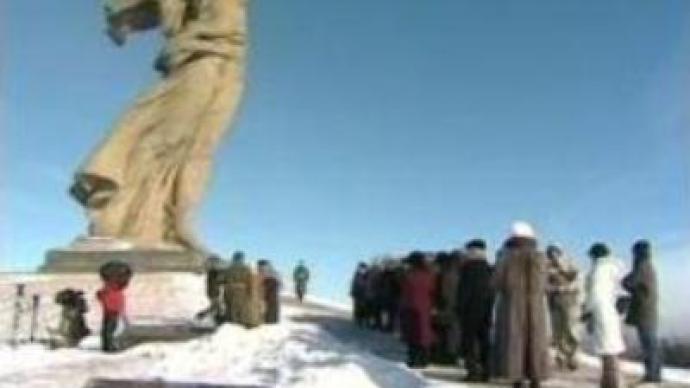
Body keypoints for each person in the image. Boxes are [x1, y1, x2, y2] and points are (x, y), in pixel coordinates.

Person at [492, 222, 550, 388]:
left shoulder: (505, 256)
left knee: (514, 339)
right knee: (536, 339)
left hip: (512, 304)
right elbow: (544, 282)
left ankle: (516, 377)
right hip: (535, 304)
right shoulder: (540, 256)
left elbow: (496, 281)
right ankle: (536, 376)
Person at [583, 243, 626, 388]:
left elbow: (595, 293)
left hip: (601, 312)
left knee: (608, 350)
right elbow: (623, 291)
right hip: (611, 312)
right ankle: (609, 381)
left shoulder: (599, 270)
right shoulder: (615, 267)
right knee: (611, 348)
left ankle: (612, 383)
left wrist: (588, 312)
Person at [623, 240, 661, 383]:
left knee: (649, 345)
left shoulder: (642, 266)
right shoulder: (646, 265)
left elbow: (629, 282)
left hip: (644, 312)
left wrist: (626, 281)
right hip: (647, 312)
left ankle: (652, 376)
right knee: (651, 344)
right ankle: (654, 374)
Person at [457, 239, 494, 382]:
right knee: (485, 340)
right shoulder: (488, 267)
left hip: (470, 310)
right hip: (487, 308)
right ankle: (487, 371)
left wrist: (460, 307)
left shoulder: (468, 268)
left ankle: (472, 371)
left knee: (469, 341)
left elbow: (464, 291)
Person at [545, 244, 581, 371]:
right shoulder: (546, 267)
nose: (553, 256)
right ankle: (560, 357)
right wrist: (554, 289)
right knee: (558, 332)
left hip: (570, 303)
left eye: (555, 253)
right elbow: (544, 286)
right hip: (554, 303)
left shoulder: (569, 264)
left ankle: (572, 357)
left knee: (571, 331)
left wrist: (562, 270)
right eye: (550, 253)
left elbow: (577, 281)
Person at [400, 251, 436, 368]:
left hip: (410, 308)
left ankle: (413, 359)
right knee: (424, 334)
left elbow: (405, 292)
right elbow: (433, 290)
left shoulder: (409, 275)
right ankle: (424, 359)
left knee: (412, 335)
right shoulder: (429, 275)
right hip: (425, 307)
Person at [432, 251, 461, 365]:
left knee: (445, 333)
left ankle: (446, 357)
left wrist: (439, 306)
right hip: (454, 307)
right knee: (452, 333)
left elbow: (445, 293)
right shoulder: (457, 272)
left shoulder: (446, 274)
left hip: (447, 307)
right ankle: (451, 356)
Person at [223, 251, 254, 327]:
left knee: (229, 307)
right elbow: (250, 281)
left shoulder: (228, 268)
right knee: (240, 308)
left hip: (229, 290)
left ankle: (229, 323)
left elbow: (222, 279)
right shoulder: (246, 269)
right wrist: (250, 293)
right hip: (241, 291)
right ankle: (238, 325)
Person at [96, 279, 127, 352]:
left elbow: (100, 297)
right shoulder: (117, 292)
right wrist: (121, 312)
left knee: (106, 330)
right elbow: (120, 303)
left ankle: (106, 346)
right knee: (110, 330)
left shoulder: (107, 291)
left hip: (108, 311)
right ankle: (109, 346)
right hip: (113, 312)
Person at [196, 255, 225, 324]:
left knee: (216, 307)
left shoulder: (212, 272)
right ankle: (201, 316)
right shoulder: (214, 272)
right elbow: (219, 280)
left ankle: (215, 320)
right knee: (216, 307)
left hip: (212, 291)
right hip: (213, 292)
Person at [258, 260, 282, 324]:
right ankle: (273, 319)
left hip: (269, 287)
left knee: (267, 302)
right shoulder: (275, 271)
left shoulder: (263, 271)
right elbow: (280, 283)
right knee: (273, 303)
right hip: (274, 291)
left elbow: (261, 281)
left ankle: (268, 318)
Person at [350, 262, 370, 327]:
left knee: (363, 307)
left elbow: (367, 285)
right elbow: (354, 284)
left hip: (363, 294)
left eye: (363, 268)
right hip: (358, 293)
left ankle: (362, 320)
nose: (362, 269)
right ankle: (358, 319)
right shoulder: (357, 275)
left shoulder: (366, 276)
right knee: (357, 306)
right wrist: (352, 291)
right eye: (361, 268)